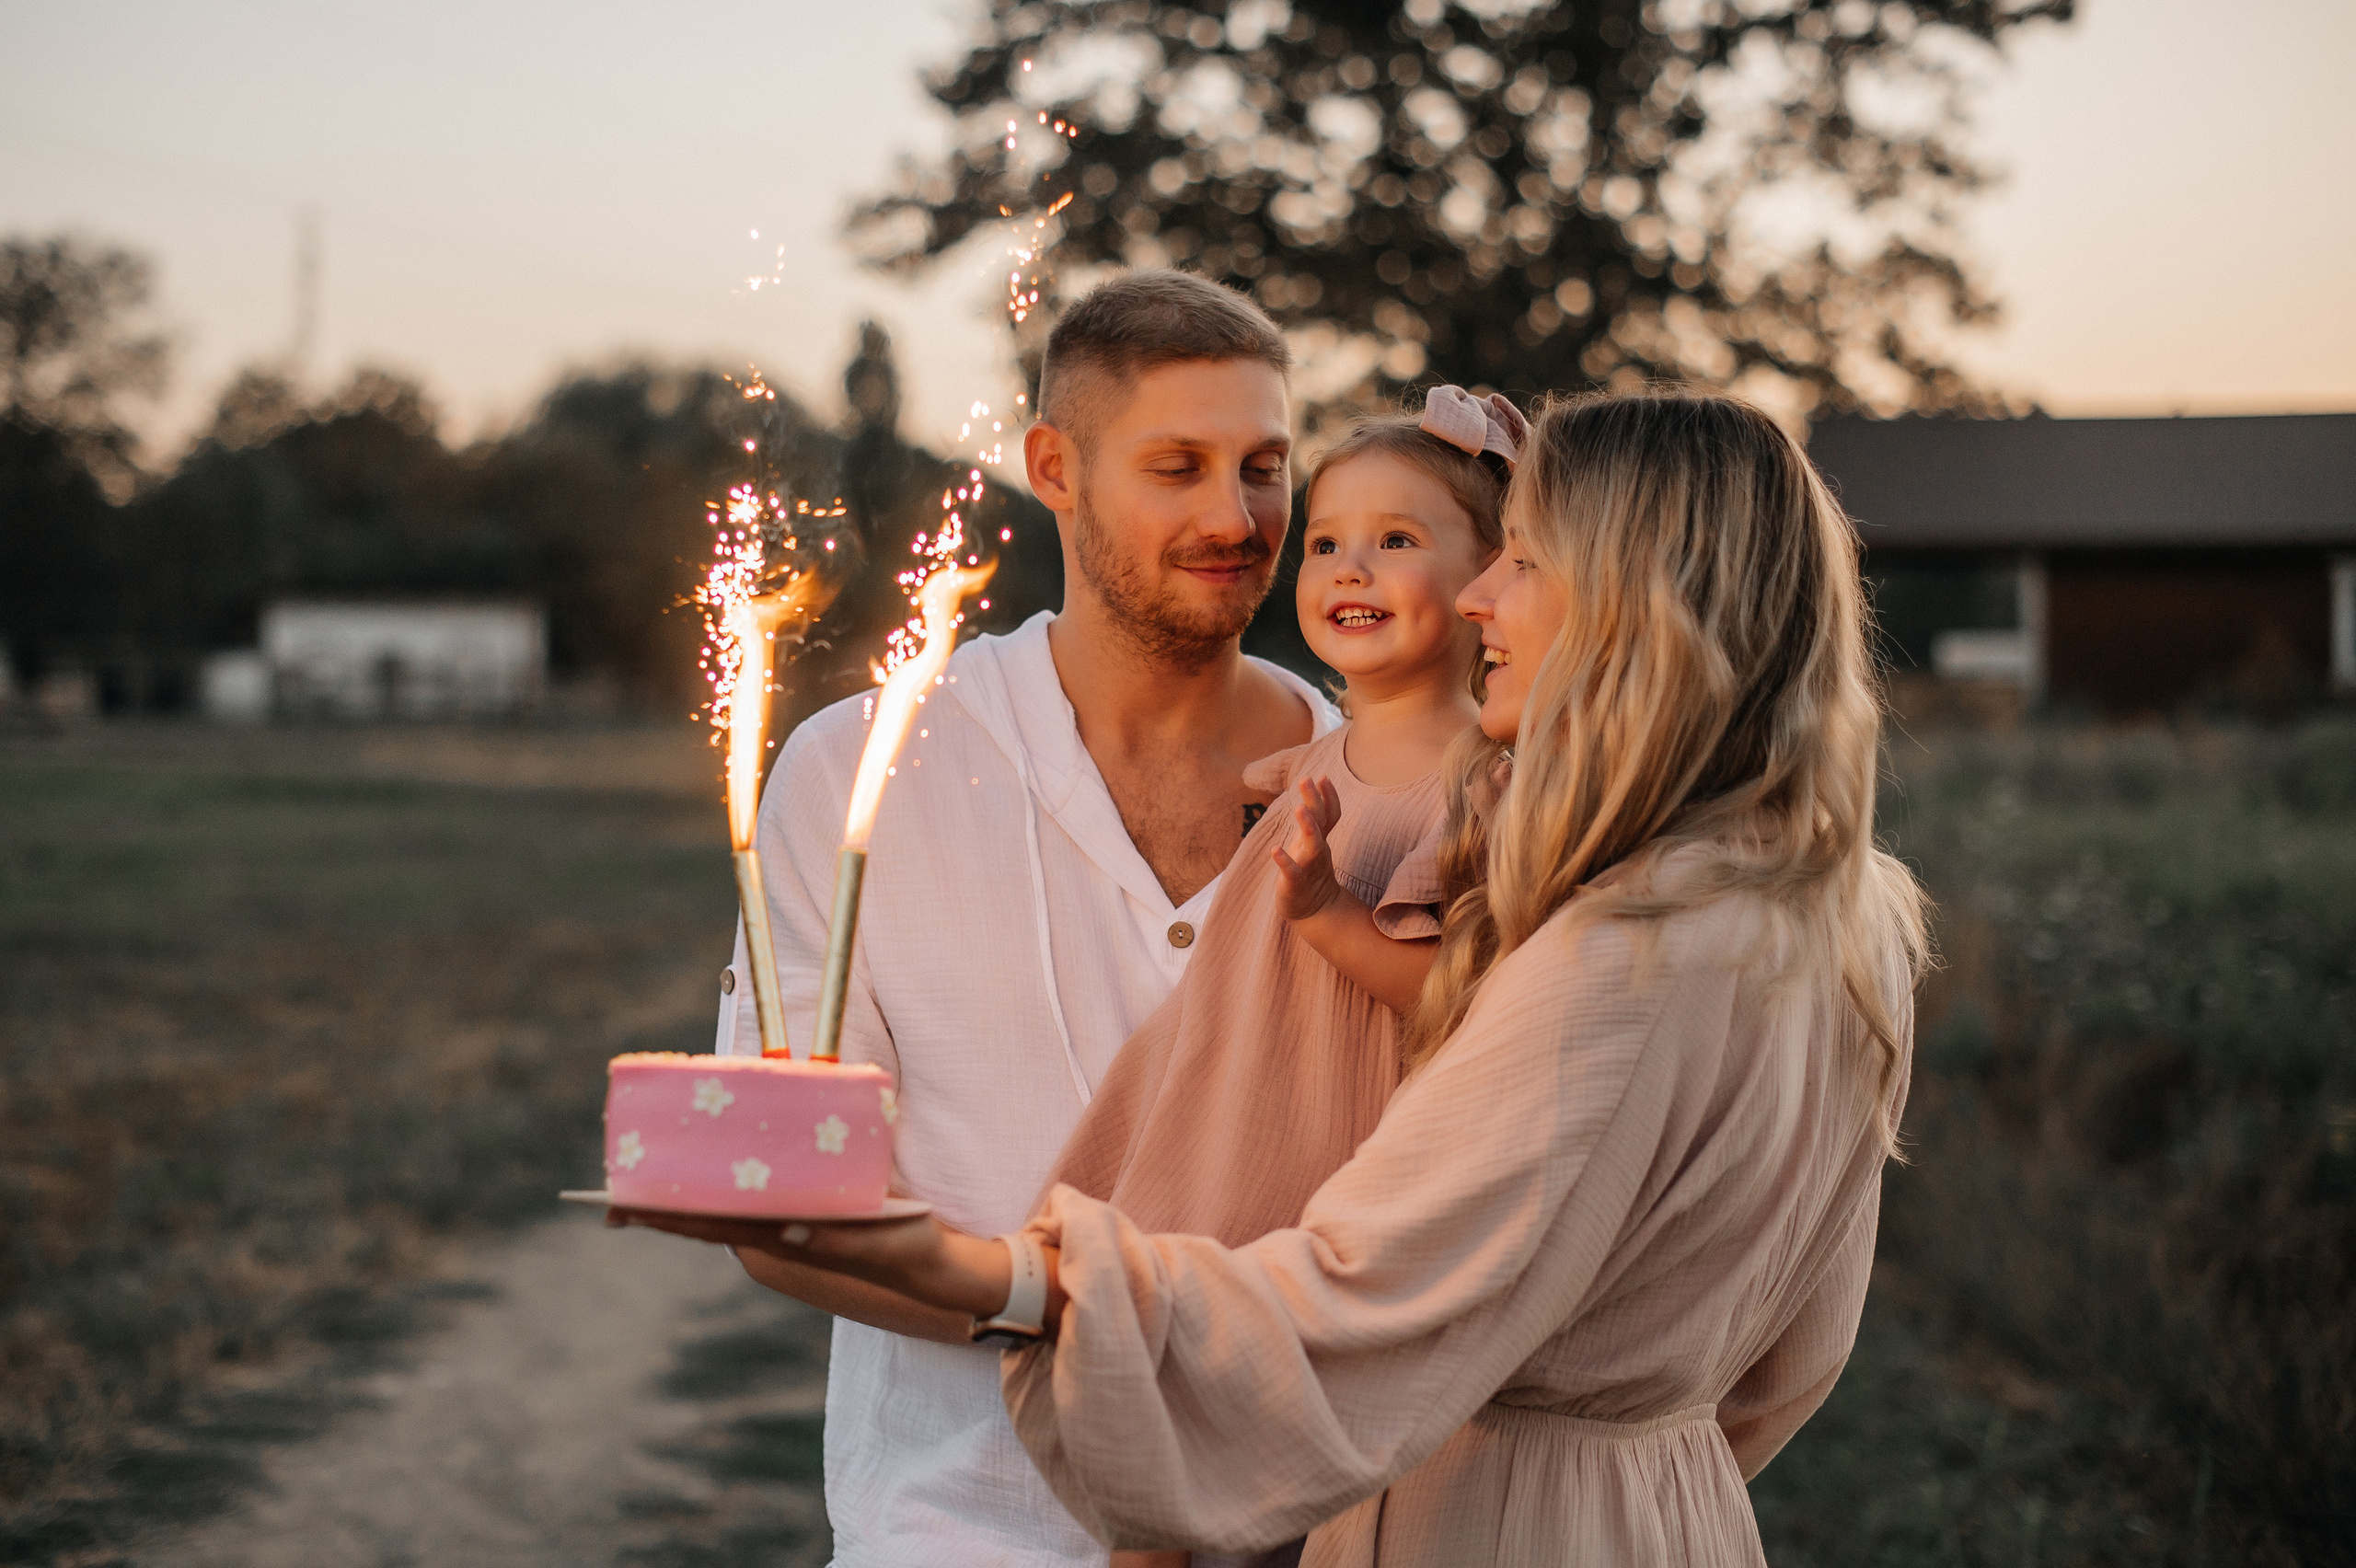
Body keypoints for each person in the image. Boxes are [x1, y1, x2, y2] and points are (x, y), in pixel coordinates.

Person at [664, 390, 1932, 1566]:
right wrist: (1633, 1467)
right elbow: (1793, 1360)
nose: (1484, 594)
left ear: (1643, 608)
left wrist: (980, 1271)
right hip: (1675, 1511)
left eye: (1529, 560)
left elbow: (1350, 1304)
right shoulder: (1851, 919)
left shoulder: (1614, 956)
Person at [706, 269, 1337, 1567]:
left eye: (1265, 467)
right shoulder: (858, 770)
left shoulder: (1377, 786)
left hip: (1313, 1537)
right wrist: (1082, 1323)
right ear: (1055, 465)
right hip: (961, 1533)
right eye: (1178, 466)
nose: (1237, 515)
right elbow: (774, 1217)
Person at [1057, 394, 1514, 1568]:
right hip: (1235, 1091)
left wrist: (1321, 909)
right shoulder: (1309, 758)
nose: (1347, 566)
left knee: (1278, 1391)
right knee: (1161, 1333)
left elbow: (1460, 999)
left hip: (1341, 1124)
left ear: (1491, 580)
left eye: (1397, 541)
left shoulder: (1487, 786)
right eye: (1323, 543)